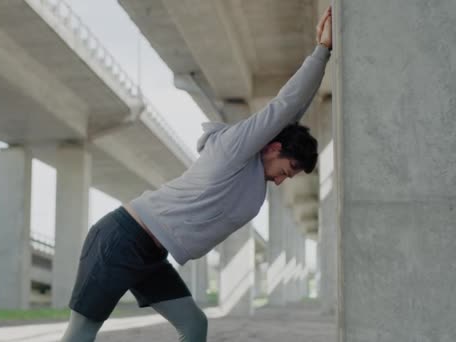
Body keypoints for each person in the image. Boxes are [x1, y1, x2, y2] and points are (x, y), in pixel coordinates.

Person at [61, 7, 333, 342]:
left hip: (151, 253)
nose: (281, 180)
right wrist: (322, 52)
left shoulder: (255, 176)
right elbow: (287, 106)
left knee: (193, 325)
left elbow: (293, 117)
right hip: (121, 239)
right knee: (81, 335)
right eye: (286, 171)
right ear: (274, 148)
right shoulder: (235, 148)